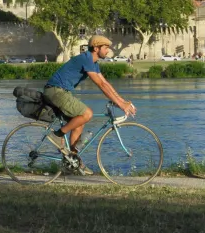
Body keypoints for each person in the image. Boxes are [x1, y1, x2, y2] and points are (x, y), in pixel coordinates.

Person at [43, 35, 137, 174]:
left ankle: (73, 162)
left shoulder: (93, 63)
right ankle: (57, 135)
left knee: (79, 123)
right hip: (55, 91)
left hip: (62, 92)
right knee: (87, 113)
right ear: (96, 48)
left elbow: (105, 83)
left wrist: (122, 101)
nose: (108, 51)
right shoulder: (86, 58)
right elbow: (99, 84)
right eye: (105, 48)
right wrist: (120, 104)